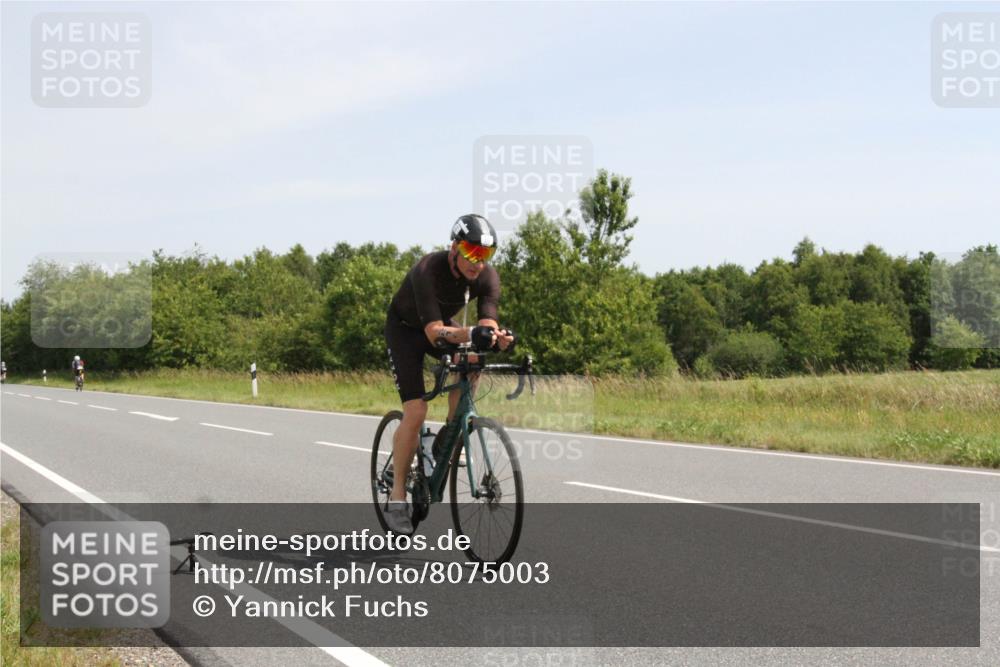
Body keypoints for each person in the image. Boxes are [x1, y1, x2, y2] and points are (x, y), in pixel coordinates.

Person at [383, 214, 514, 533]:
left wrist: (497, 338)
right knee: (416, 410)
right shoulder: (428, 269)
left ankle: (443, 441)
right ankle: (397, 496)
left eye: (485, 254)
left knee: (474, 359)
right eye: (471, 252)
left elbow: (487, 322)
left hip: (441, 326)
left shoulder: (487, 277)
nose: (477, 262)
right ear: (454, 247)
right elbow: (432, 334)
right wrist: (471, 333)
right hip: (407, 332)